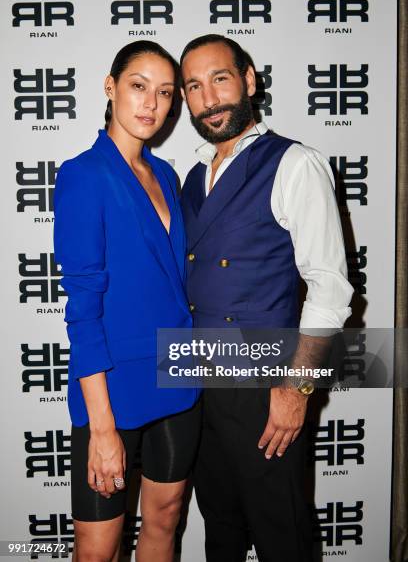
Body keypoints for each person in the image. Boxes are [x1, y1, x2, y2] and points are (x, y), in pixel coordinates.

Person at [179, 34, 354, 562]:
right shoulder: (191, 178)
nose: (208, 99)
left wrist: (296, 390)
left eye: (220, 79)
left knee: (281, 531)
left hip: (265, 383)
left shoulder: (294, 163)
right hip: (198, 383)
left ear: (249, 80)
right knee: (221, 525)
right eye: (193, 87)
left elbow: (330, 287)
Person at [53, 41, 201, 562]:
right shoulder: (83, 174)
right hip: (112, 387)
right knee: (98, 548)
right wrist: (101, 427)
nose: (151, 105)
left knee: (164, 519)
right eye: (139, 87)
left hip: (178, 378)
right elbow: (83, 309)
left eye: (165, 94)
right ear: (111, 87)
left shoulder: (167, 176)